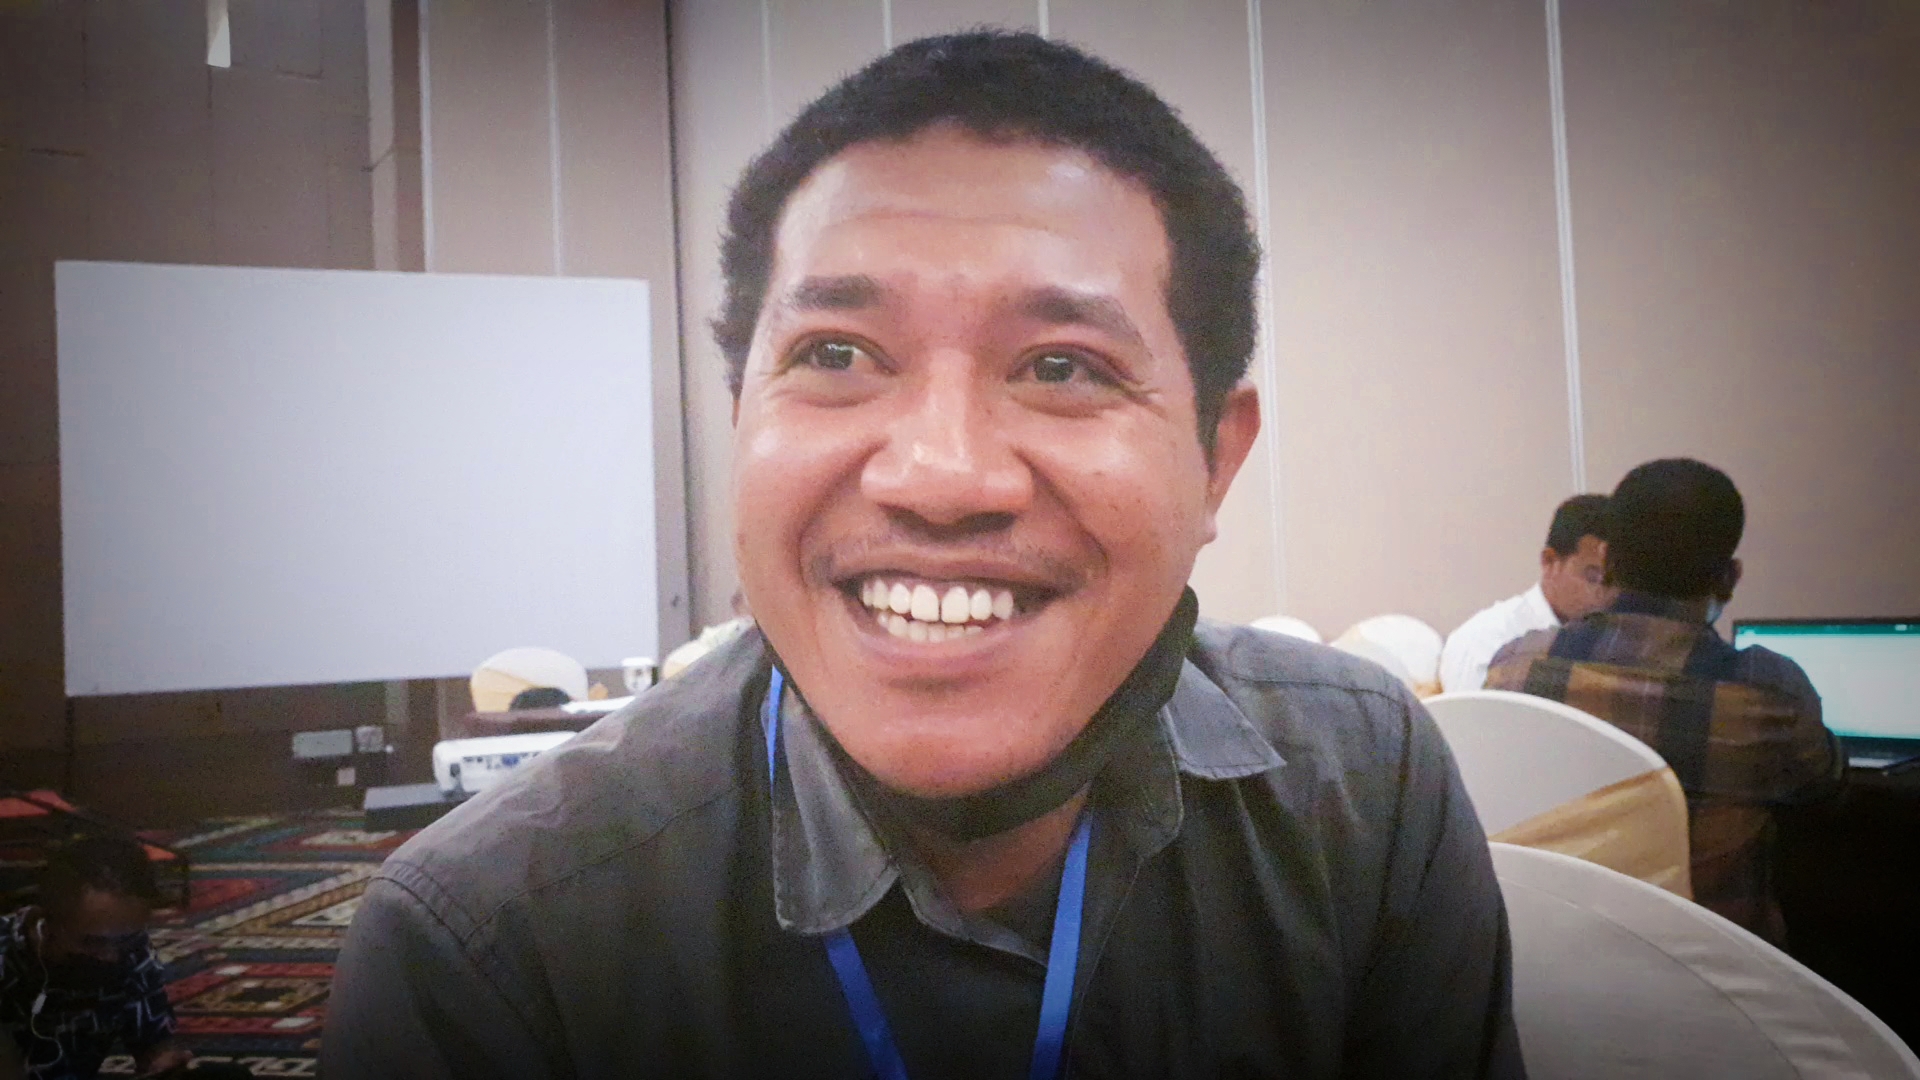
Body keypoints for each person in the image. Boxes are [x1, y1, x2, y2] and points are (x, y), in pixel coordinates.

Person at [326, 32, 1522, 1079]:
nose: (940, 477)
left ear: (1214, 458)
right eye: (837, 354)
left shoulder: (1359, 791)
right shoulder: (487, 950)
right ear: (741, 418)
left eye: (1062, 366)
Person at [1486, 459, 1842, 942]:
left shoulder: (1517, 668)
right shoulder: (1765, 692)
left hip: (1549, 957)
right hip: (1709, 968)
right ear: (1729, 578)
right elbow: (1825, 784)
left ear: (1607, 559)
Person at [0, 836, 245, 1080]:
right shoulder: (7, 960)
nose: (111, 956)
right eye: (93, 942)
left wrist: (163, 1063)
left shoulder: (131, 950)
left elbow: (154, 1046)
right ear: (48, 922)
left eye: (125, 939)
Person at [1438, 494, 1613, 693]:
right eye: (1594, 578)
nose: (1605, 594)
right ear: (1549, 562)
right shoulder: (1485, 640)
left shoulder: (1616, 642)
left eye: (1613, 582)